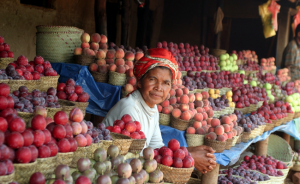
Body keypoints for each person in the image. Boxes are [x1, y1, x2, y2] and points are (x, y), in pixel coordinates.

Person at [102, 48, 217, 174]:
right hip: (110, 172)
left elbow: (156, 148)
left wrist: (187, 151)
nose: (159, 88)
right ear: (140, 81)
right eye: (152, 80)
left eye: (166, 83)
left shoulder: (153, 107)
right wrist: (189, 156)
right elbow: (137, 160)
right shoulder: (130, 109)